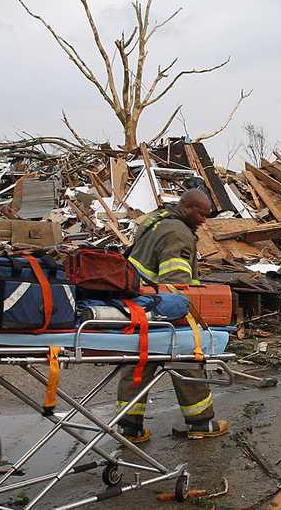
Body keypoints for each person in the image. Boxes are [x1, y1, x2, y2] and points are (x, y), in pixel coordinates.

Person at [116, 189, 229, 441]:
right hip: (162, 309)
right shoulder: (178, 233)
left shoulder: (154, 221)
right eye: (201, 213)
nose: (203, 220)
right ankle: (200, 424)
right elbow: (176, 285)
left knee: (138, 362)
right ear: (187, 207)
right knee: (186, 359)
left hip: (138, 307)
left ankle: (129, 427)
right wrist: (186, 315)